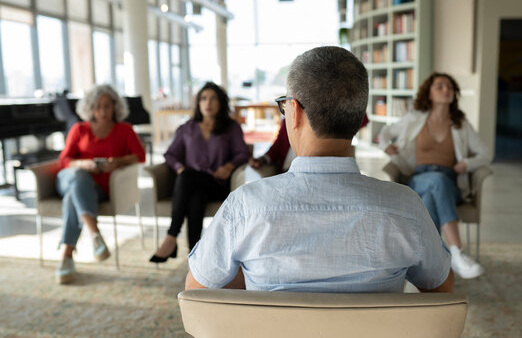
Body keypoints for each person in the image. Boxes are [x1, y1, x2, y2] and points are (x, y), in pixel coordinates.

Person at [185, 47, 453, 293]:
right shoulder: (406, 208)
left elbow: (197, 293)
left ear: (295, 112)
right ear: (359, 114)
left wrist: (253, 273)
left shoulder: (245, 207)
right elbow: (441, 290)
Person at [378, 72, 492, 279]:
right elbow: (385, 132)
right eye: (439, 86)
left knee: (432, 195)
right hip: (418, 178)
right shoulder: (414, 118)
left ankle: (428, 262)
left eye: (449, 86)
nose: (445, 90)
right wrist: (387, 146)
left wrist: (467, 163)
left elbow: (485, 154)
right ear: (429, 93)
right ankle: (457, 251)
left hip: (450, 182)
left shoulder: (460, 124)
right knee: (434, 182)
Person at [149, 82, 251, 263]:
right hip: (191, 185)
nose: (207, 103)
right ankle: (194, 257)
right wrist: (180, 168)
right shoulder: (187, 128)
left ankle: (172, 236)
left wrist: (228, 166)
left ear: (221, 102)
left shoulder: (231, 127)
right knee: (196, 197)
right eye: (203, 98)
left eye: (213, 98)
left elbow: (243, 152)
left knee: (188, 178)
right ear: (198, 103)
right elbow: (170, 154)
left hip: (218, 183)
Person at [55, 85, 146, 284]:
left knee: (74, 197)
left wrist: (118, 162)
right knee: (78, 177)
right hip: (68, 179)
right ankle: (94, 232)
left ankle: (67, 255)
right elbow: (64, 161)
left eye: (107, 106)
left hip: (98, 190)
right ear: (90, 108)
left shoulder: (125, 130)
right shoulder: (79, 129)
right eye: (97, 107)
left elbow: (140, 156)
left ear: (115, 106)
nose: (102, 111)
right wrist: (83, 164)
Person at [249, 114, 369, 173]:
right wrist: (263, 159)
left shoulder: (333, 119)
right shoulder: (288, 120)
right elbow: (277, 146)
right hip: (287, 172)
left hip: (322, 173)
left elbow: (363, 118)